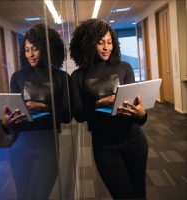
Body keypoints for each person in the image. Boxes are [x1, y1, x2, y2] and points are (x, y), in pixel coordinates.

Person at [69, 18, 148, 199]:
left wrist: (142, 114)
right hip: (105, 148)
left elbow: (137, 113)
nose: (106, 47)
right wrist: (98, 103)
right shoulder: (78, 76)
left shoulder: (124, 67)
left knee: (139, 194)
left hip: (134, 140)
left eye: (110, 42)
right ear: (88, 44)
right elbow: (79, 115)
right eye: (101, 42)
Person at [1, 24, 71, 199]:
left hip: (46, 147)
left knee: (39, 196)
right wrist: (6, 124)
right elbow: (14, 121)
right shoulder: (17, 77)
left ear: (45, 49)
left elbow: (67, 116)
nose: (30, 54)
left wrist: (43, 107)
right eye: (26, 50)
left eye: (35, 49)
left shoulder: (61, 78)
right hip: (19, 146)